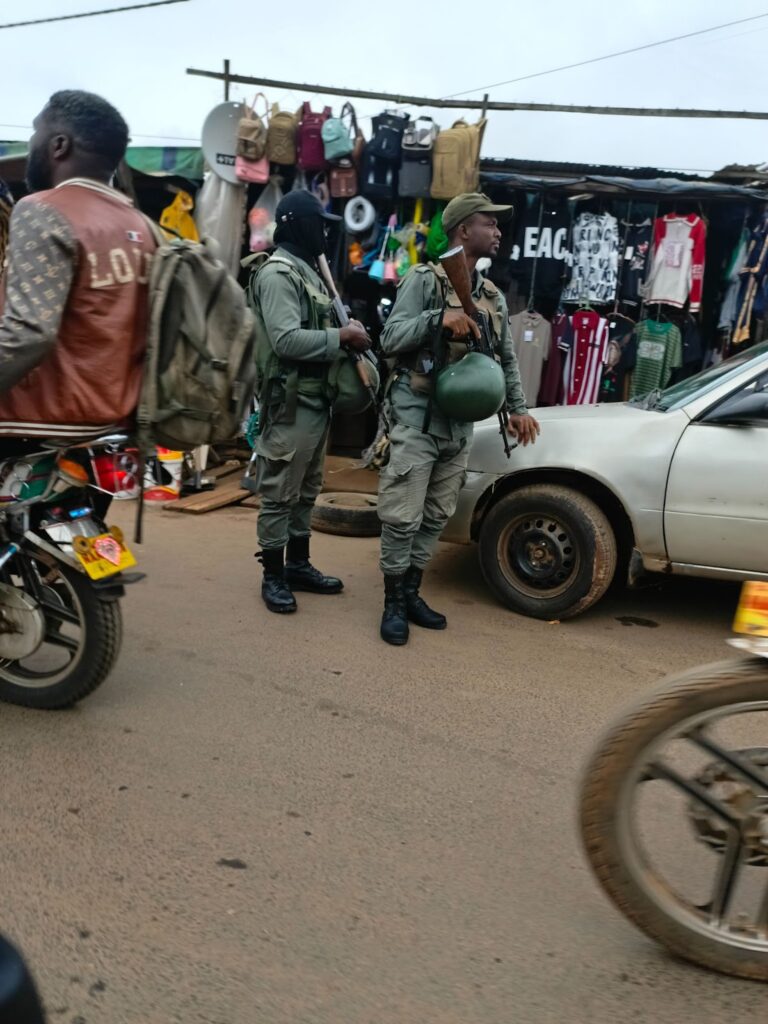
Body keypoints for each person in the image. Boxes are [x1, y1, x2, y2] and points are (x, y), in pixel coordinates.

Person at [377, 192, 541, 646]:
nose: (499, 231)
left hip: (459, 425)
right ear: (464, 229)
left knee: (435, 515)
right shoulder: (424, 280)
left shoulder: (490, 296)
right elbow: (389, 337)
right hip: (417, 417)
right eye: (491, 223)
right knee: (402, 515)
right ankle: (392, 601)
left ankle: (412, 592)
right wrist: (440, 319)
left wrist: (517, 408)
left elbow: (505, 358)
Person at [0, 90, 156, 439]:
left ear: (59, 145)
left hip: (34, 426)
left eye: (34, 132)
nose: (30, 144)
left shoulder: (42, 209)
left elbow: (28, 333)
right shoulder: (141, 225)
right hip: (111, 427)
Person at [248, 190, 371, 614]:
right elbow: (285, 340)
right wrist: (343, 337)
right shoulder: (279, 274)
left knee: (305, 492)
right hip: (291, 404)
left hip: (316, 403)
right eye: (317, 224)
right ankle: (274, 575)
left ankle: (298, 565)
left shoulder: (309, 273)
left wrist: (346, 326)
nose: (323, 232)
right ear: (297, 224)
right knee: (280, 492)